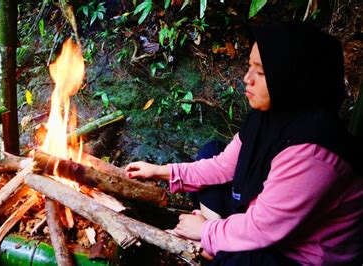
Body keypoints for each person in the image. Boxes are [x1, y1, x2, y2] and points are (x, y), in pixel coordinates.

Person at [125, 21, 363, 265]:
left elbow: (261, 229)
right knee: (211, 151)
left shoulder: (312, 151)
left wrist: (206, 232)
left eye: (260, 72)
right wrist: (159, 171)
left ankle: (214, 246)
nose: (247, 78)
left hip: (297, 254)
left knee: (242, 260)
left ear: (292, 78)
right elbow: (222, 167)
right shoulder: (267, 118)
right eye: (250, 66)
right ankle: (217, 241)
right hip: (264, 219)